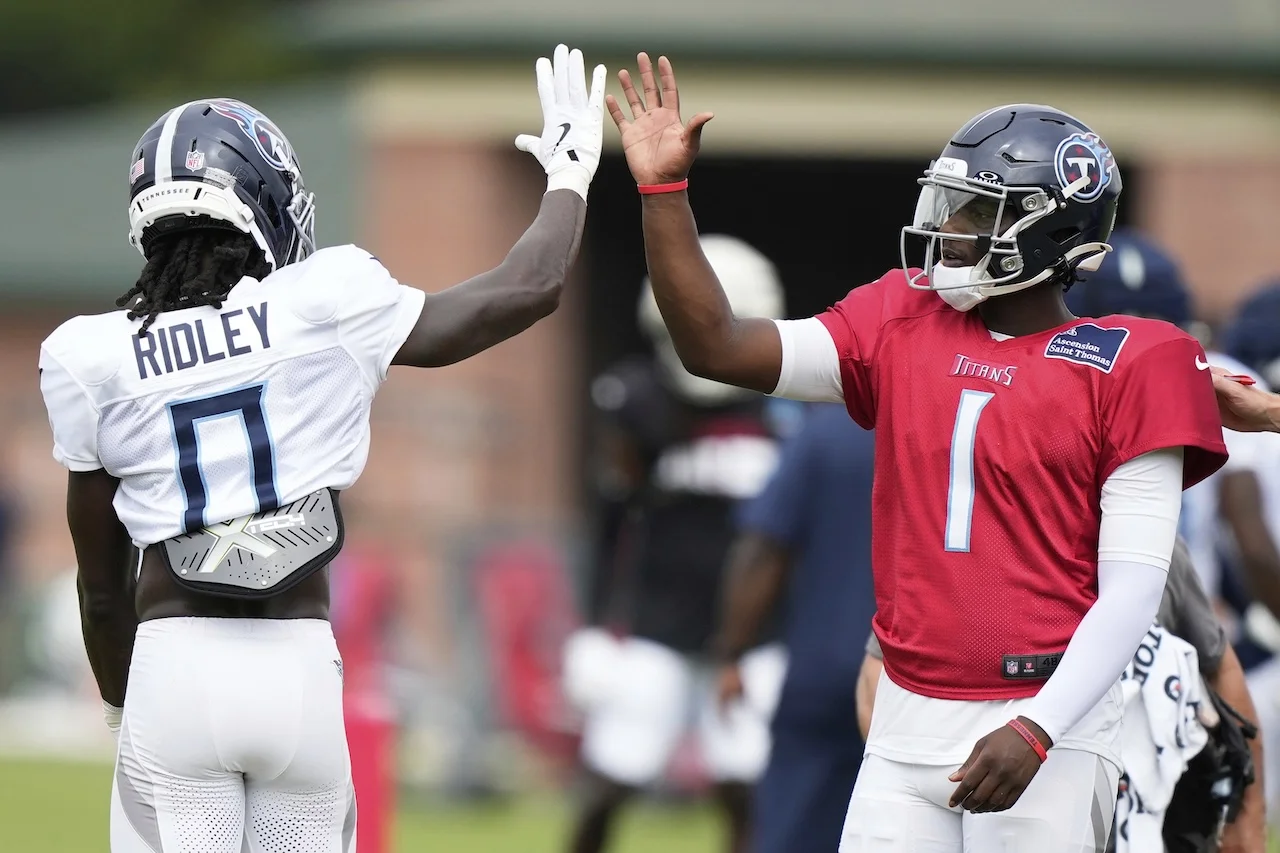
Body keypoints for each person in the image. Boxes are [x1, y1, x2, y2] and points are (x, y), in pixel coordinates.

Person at [605, 52, 1228, 852]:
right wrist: (663, 195)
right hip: (906, 710)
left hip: (1048, 712)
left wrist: (1038, 727)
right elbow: (715, 346)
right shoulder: (902, 318)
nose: (949, 229)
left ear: (1050, 227)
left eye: (975, 211)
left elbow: (1132, 589)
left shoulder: (1133, 361)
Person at [38, 44, 606, 853]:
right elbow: (525, 289)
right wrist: (569, 176)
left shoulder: (89, 356)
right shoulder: (325, 301)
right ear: (262, 198)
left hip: (175, 660)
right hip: (300, 666)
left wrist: (126, 709)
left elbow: (100, 586)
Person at [562, 234, 787, 853]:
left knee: (748, 789)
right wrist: (595, 621)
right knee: (610, 780)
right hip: (657, 625)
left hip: (754, 632)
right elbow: (613, 516)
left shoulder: (786, 404)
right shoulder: (637, 398)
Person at [711, 402, 876, 853]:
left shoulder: (824, 432)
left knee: (794, 828)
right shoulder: (960, 416)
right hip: (924, 675)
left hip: (825, 662)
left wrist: (731, 652)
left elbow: (763, 550)